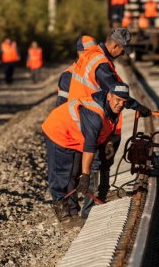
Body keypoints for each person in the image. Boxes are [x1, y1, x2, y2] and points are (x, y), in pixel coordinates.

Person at [69, 28, 152, 201]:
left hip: (83, 112)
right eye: (122, 50)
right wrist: (137, 106)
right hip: (88, 115)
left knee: (89, 161)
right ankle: (89, 205)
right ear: (115, 46)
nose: (123, 54)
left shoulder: (97, 56)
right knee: (92, 161)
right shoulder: (101, 64)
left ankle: (97, 195)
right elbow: (116, 92)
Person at [42, 84, 138, 223]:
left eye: (124, 101)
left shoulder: (111, 107)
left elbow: (103, 130)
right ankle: (64, 215)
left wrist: (107, 142)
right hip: (59, 131)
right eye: (118, 100)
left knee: (74, 172)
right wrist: (86, 175)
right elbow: (89, 147)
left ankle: (74, 211)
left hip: (76, 136)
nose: (120, 104)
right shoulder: (95, 114)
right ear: (109, 96)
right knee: (61, 173)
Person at [56, 35, 97, 107]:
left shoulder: (99, 70)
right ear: (80, 53)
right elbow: (62, 106)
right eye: (90, 52)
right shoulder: (68, 75)